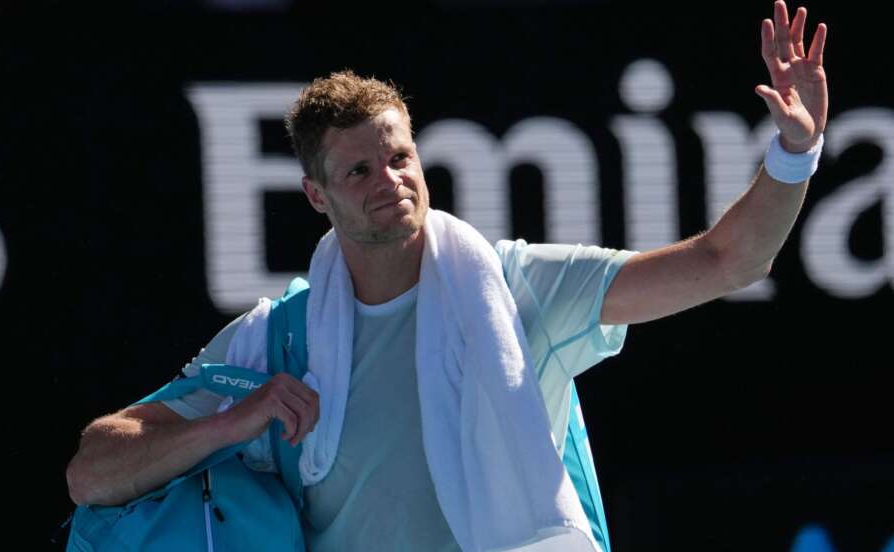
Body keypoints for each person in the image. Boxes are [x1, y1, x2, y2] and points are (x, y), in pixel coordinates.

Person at [66, 2, 828, 550]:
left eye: (399, 158)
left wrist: (794, 154)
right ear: (316, 196)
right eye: (358, 169)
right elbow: (93, 471)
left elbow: (729, 260)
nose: (388, 179)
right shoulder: (274, 341)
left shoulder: (519, 287)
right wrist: (230, 423)